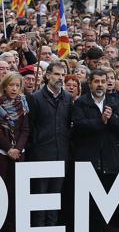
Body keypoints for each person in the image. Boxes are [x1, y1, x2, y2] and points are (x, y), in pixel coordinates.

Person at [71, 69, 119, 231]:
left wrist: (111, 120)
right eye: (97, 81)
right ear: (90, 83)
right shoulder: (81, 102)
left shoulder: (114, 101)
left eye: (103, 81)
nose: (100, 85)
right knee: (88, 205)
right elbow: (79, 126)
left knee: (108, 204)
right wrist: (100, 120)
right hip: (87, 159)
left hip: (109, 160)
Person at [26, 62, 73, 228]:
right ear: (47, 75)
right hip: (40, 156)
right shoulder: (35, 98)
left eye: (62, 75)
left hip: (61, 155)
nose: (60, 78)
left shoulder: (67, 97)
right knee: (40, 200)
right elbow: (29, 127)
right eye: (56, 74)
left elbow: (68, 124)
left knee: (55, 200)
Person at [0, 72, 29, 232]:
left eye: (18, 85)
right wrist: (9, 149)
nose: (14, 88)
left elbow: (25, 129)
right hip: (2, 155)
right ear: (5, 86)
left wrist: (17, 148)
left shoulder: (23, 104)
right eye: (11, 85)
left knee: (15, 191)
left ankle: (12, 225)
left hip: (18, 154)